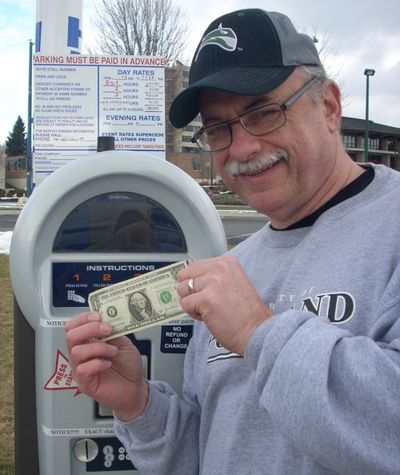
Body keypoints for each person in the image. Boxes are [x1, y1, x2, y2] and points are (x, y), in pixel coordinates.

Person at [65, 8, 400, 474]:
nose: (241, 149)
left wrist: (257, 332)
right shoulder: (232, 268)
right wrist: (138, 406)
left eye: (263, 113)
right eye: (218, 129)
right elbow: (210, 452)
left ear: (327, 106)